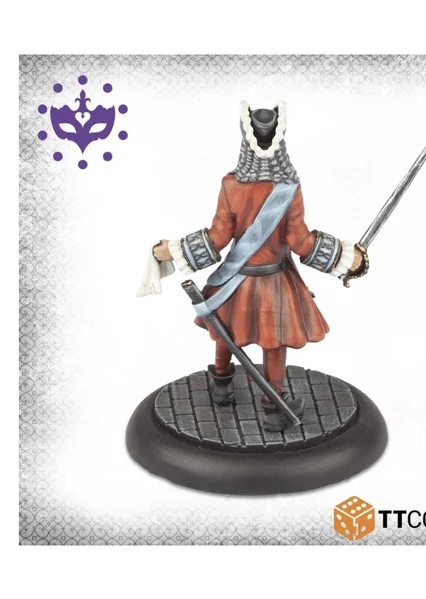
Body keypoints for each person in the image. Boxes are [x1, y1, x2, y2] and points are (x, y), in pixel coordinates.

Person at [150, 101, 367, 430]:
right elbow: (300, 241)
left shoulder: (231, 185)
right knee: (273, 342)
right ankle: (272, 407)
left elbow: (217, 238)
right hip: (274, 282)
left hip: (235, 279)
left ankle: (222, 384)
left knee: (226, 330)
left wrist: (172, 250)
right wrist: (347, 258)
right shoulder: (290, 189)